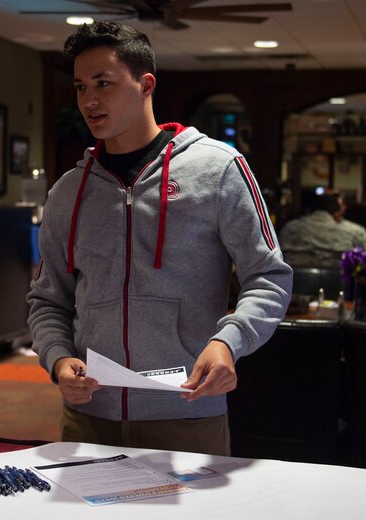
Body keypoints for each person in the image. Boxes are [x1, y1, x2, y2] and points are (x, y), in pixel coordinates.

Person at [27, 22, 292, 456]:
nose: (89, 100)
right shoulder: (68, 192)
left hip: (187, 413)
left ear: (145, 84)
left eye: (103, 84)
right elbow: (48, 298)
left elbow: (268, 277)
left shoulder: (218, 169)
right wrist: (57, 360)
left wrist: (229, 341)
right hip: (89, 416)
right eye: (79, 87)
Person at [279, 191, 366, 268]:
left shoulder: (290, 228)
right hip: (339, 284)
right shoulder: (355, 232)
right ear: (337, 212)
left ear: (310, 209)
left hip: (294, 283)